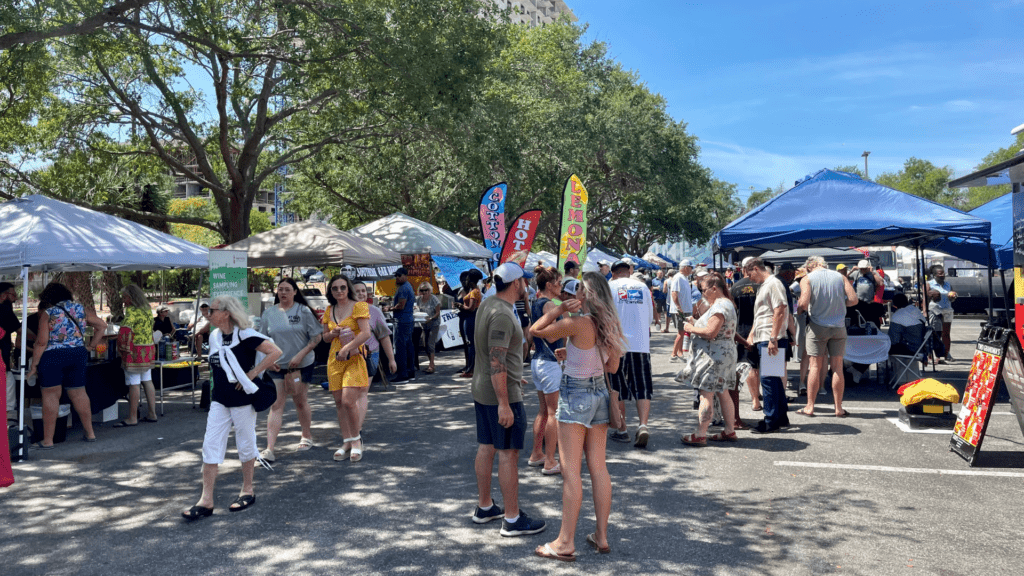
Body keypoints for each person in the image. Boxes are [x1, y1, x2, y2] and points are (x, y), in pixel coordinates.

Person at [530, 271, 624, 561]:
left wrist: (558, 309)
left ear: (585, 296)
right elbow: (612, 368)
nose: (571, 296)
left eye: (576, 292)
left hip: (576, 395)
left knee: (571, 471)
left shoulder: (577, 322)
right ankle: (602, 535)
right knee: (599, 468)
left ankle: (565, 542)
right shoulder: (609, 324)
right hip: (598, 395)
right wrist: (572, 355)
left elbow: (535, 331)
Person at [182, 295, 283, 520]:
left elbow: (276, 352)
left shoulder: (245, 334)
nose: (209, 313)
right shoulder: (216, 336)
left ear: (226, 313)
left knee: (246, 444)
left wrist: (253, 373)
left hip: (243, 399)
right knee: (210, 445)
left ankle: (248, 490)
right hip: (219, 399)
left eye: (213, 310)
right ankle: (206, 500)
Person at [469, 263, 546, 538]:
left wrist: (512, 377)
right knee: (508, 455)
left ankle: (485, 506)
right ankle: (512, 519)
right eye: (524, 280)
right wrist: (504, 401)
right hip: (498, 395)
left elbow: (498, 357)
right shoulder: (502, 313)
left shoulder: (488, 303)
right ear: (516, 284)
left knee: (486, 447)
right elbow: (496, 360)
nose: (526, 284)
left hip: (485, 388)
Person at [25, 282, 107, 448]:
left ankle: (48, 440)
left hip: (53, 356)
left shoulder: (49, 313)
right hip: (77, 353)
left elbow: (41, 342)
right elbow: (102, 326)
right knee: (79, 393)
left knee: (50, 395)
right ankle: (90, 433)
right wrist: (90, 346)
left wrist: (34, 365)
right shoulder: (80, 309)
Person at [259, 278, 322, 462]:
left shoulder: (303, 311)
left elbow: (316, 338)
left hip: (301, 365)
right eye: (280, 290)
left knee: (300, 401)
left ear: (295, 292)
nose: (283, 293)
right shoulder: (268, 313)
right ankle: (269, 448)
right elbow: (262, 340)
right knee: (277, 404)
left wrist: (301, 354)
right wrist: (267, 361)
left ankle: (306, 435)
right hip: (277, 366)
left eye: (287, 289)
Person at [796, 256, 858, 418]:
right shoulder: (840, 277)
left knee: (815, 366)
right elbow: (853, 300)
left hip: (818, 327)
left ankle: (810, 406)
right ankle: (838, 408)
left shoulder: (807, 279)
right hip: (838, 326)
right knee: (837, 367)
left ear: (810, 267)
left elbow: (803, 303)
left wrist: (800, 311)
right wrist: (838, 304)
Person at [680, 274, 738, 445]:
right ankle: (729, 430)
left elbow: (711, 332)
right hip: (723, 354)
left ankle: (700, 433)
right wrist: (697, 323)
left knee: (706, 393)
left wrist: (691, 328)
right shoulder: (725, 304)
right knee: (723, 392)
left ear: (714, 288)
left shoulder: (720, 306)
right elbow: (715, 328)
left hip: (714, 356)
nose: (702, 294)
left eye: (703, 290)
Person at [606, 259, 655, 448]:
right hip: (641, 344)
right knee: (642, 387)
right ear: (629, 271)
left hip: (617, 344)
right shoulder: (642, 287)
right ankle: (643, 425)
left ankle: (622, 428)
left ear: (613, 272)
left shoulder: (609, 287)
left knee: (616, 387)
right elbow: (649, 317)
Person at [323, 274, 371, 462]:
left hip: (352, 357)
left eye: (342, 287)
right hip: (334, 359)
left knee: (348, 400)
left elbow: (366, 333)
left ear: (348, 288)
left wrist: (346, 348)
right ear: (331, 291)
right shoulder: (330, 309)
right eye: (335, 288)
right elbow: (324, 337)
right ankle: (347, 440)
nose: (339, 291)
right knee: (339, 402)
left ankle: (357, 440)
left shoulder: (359, 306)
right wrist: (332, 333)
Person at [742, 258, 790, 434]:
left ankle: (771, 420)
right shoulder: (766, 285)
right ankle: (781, 416)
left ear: (755, 269)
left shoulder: (773, 283)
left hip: (770, 338)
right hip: (767, 337)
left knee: (768, 380)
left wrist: (773, 338)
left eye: (749, 274)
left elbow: (780, 309)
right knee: (774, 379)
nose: (748, 278)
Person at [527, 265, 564, 476]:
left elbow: (535, 335)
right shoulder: (549, 304)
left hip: (538, 361)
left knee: (543, 410)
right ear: (549, 285)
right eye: (558, 283)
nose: (561, 287)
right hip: (549, 362)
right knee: (553, 413)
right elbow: (550, 335)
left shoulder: (537, 302)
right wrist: (566, 325)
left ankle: (536, 454)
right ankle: (550, 460)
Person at [114, 284, 158, 427]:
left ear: (131, 298)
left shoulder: (131, 311)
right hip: (148, 348)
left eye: (125, 297)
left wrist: (120, 348)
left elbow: (124, 331)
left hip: (135, 350)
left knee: (134, 383)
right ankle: (152, 413)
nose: (123, 300)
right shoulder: (147, 309)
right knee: (147, 380)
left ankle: (132, 417)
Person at [731, 258, 762, 414]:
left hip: (743, 329)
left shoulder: (735, 287)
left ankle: (755, 399)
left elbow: (732, 310)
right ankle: (772, 398)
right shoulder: (762, 284)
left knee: (750, 365)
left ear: (742, 269)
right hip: (764, 329)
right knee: (768, 365)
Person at [387, 267, 416, 382]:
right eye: (396, 276)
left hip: (402, 321)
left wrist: (389, 308)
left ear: (405, 275)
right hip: (407, 320)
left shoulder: (403, 288)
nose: (397, 278)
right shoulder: (407, 286)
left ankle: (403, 374)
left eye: (399, 275)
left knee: (401, 347)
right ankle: (410, 372)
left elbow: (401, 305)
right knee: (408, 346)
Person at [927, 265, 956, 362]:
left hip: (947, 309)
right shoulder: (929, 284)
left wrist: (953, 296)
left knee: (946, 333)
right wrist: (924, 311)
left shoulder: (948, 284)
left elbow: (951, 299)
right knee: (935, 333)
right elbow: (925, 298)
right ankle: (933, 355)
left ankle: (946, 354)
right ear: (934, 275)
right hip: (935, 310)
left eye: (943, 273)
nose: (942, 275)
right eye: (940, 274)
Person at [456, 270, 482, 378]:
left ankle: (471, 368)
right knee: (470, 343)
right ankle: (470, 367)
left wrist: (460, 306)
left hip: (470, 317)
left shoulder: (474, 292)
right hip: (470, 317)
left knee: (471, 343)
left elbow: (471, 308)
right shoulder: (474, 291)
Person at [888, 293, 928, 358]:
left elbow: (894, 340)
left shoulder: (897, 315)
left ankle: (884, 367)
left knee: (884, 347)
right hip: (923, 348)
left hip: (911, 349)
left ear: (895, 305)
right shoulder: (915, 310)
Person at [669, 260, 694, 361]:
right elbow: (674, 293)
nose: (692, 270)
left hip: (685, 309)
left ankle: (679, 353)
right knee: (681, 332)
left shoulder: (684, 278)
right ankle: (673, 354)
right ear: (685, 267)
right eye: (690, 267)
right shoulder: (678, 277)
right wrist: (679, 307)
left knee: (683, 332)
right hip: (680, 310)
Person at [416, 282, 441, 374]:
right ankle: (431, 363)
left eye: (426, 290)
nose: (424, 292)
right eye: (422, 290)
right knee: (425, 345)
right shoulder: (419, 299)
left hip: (434, 323)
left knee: (430, 344)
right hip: (424, 324)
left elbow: (438, 312)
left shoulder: (434, 299)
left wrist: (431, 318)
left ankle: (431, 365)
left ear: (430, 290)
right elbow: (416, 309)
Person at [0, 283, 20, 370]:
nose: (15, 299)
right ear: (4, 295)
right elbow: (20, 330)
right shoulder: (4, 309)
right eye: (13, 295)